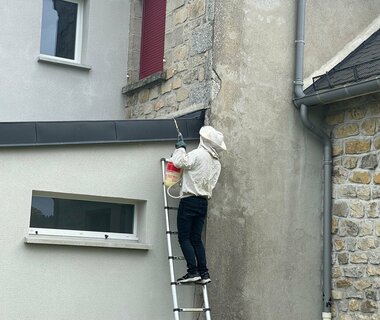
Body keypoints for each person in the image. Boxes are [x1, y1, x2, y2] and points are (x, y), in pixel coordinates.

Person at [170, 125, 227, 284]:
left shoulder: (198, 154)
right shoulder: (216, 163)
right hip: (203, 203)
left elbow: (180, 162)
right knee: (196, 239)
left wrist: (180, 148)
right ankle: (204, 273)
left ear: (204, 139)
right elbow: (212, 184)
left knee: (184, 237)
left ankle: (192, 271)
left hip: (189, 200)